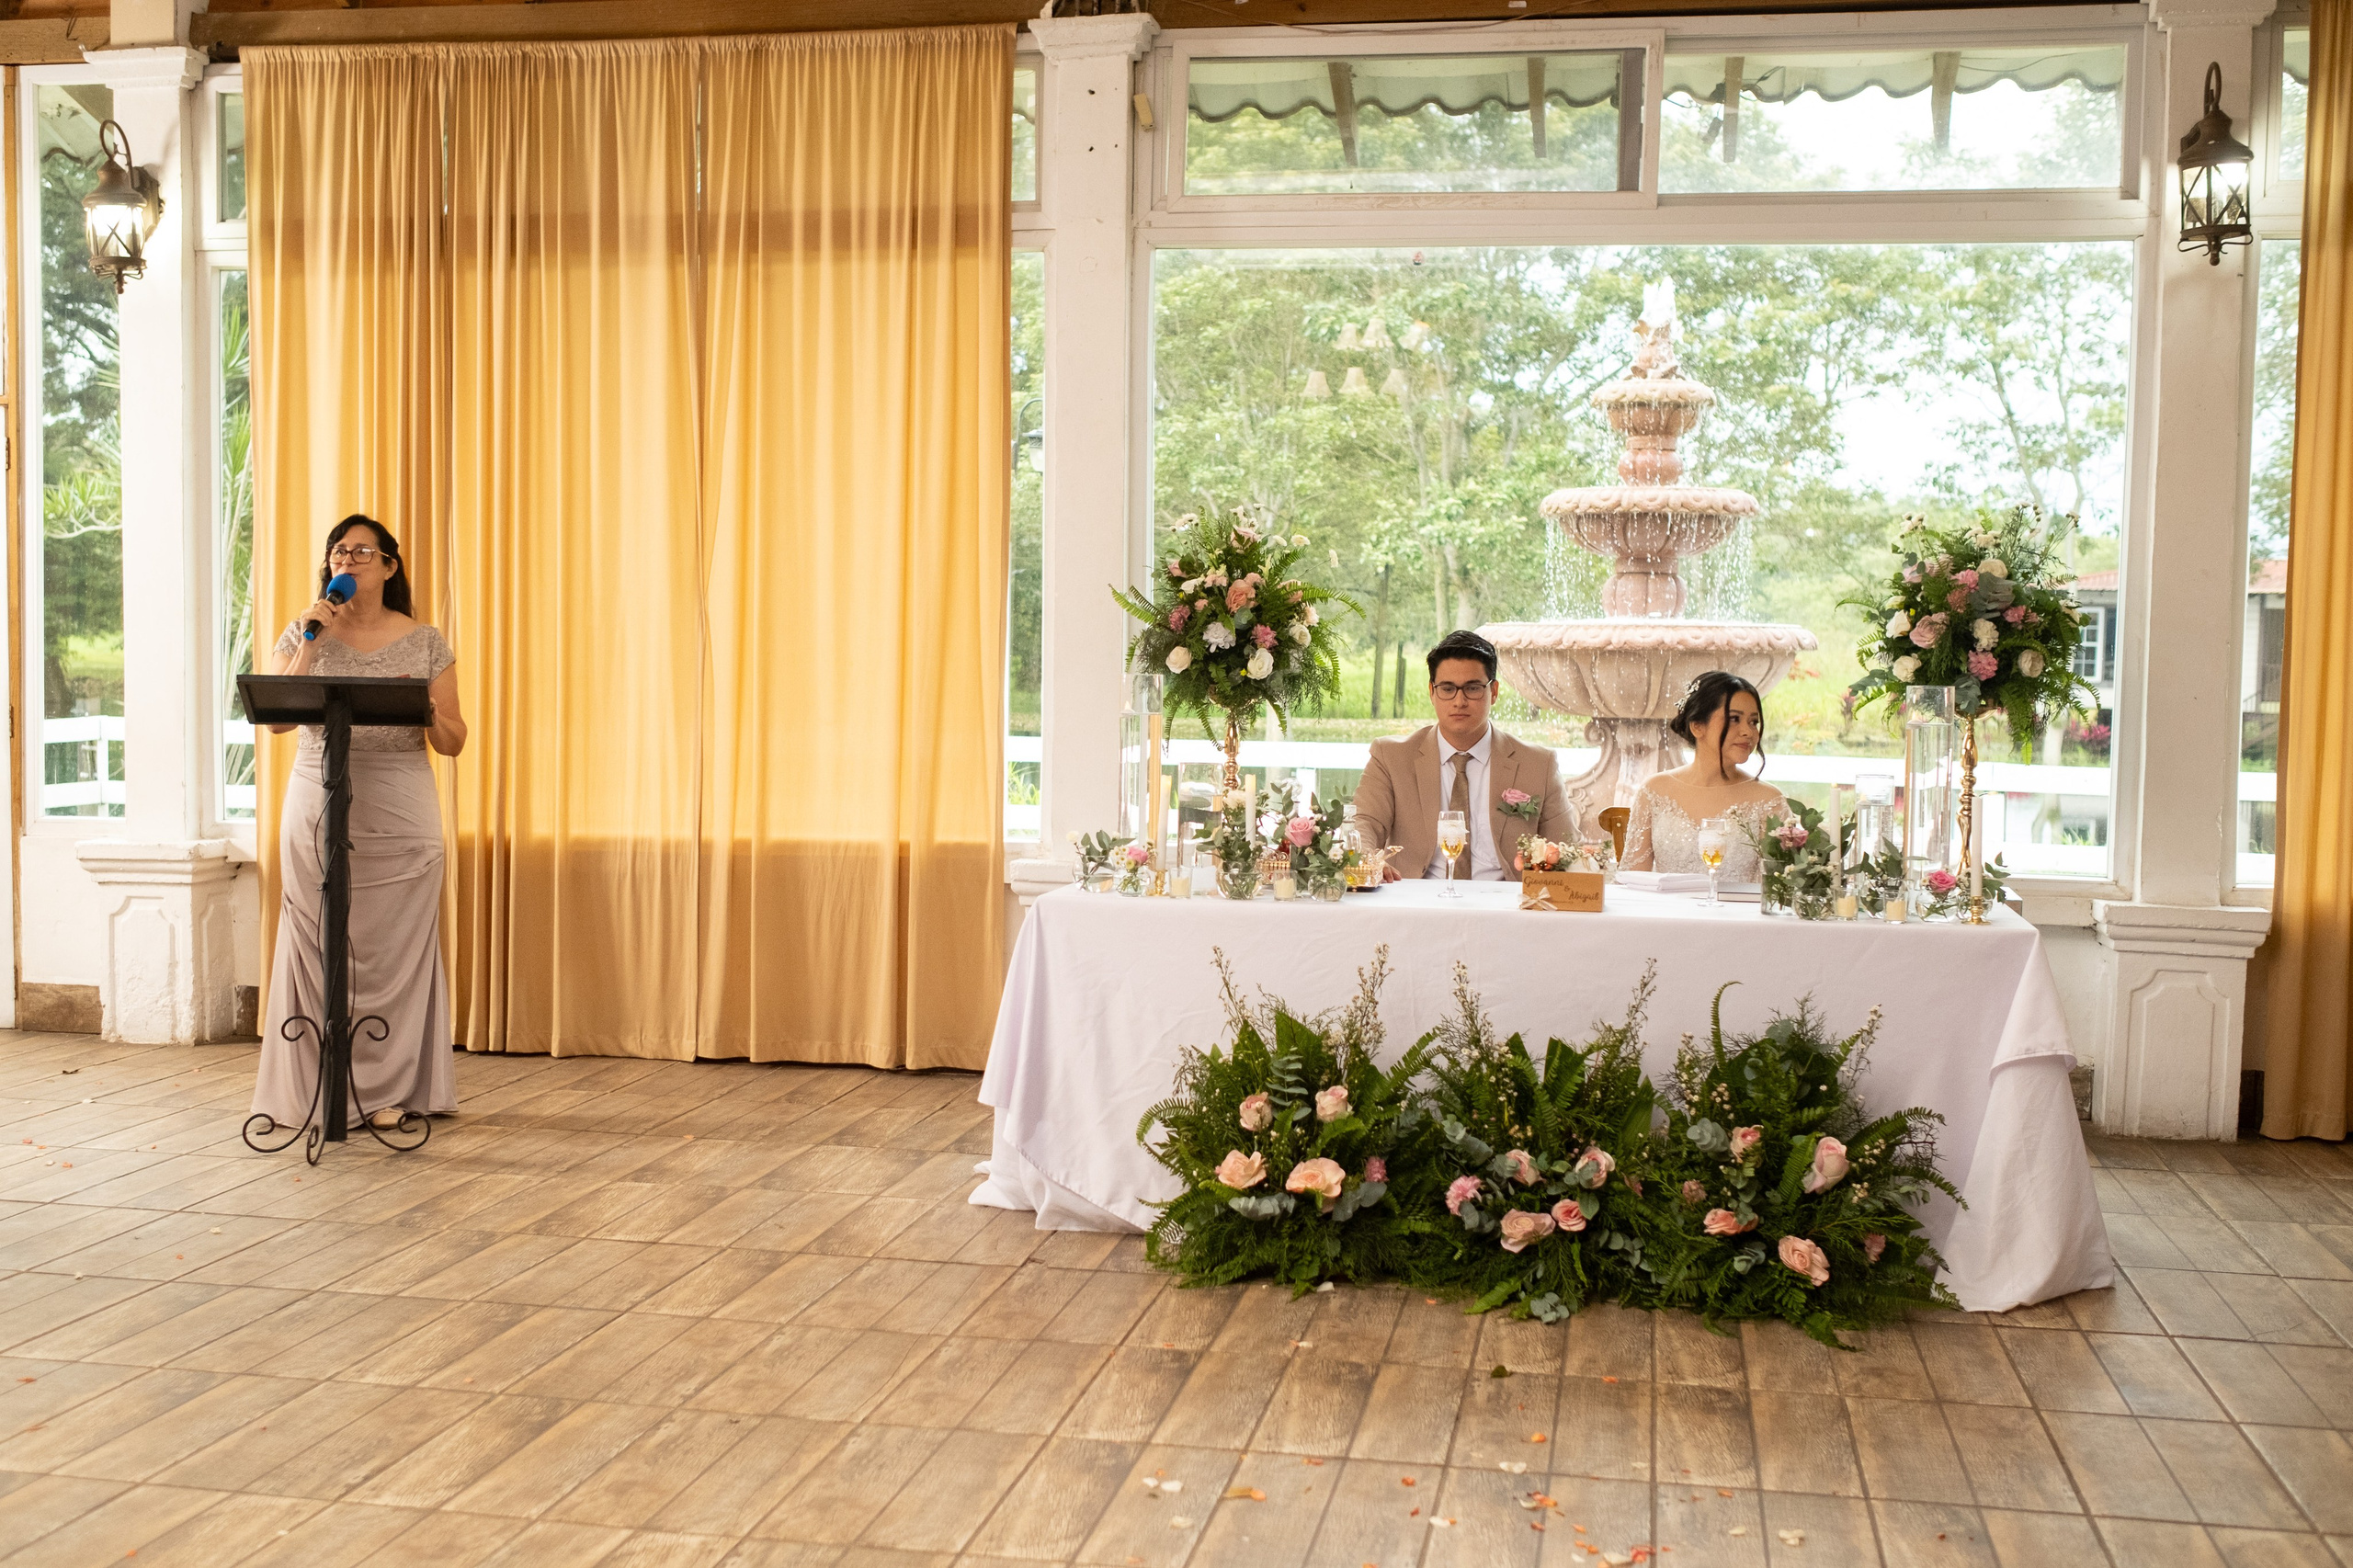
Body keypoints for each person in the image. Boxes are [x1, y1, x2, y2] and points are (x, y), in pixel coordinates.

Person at [254, 516, 467, 1133]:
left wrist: (424, 709)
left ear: (390, 567)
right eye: (338, 553)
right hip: (320, 791)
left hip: (401, 799)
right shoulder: (305, 628)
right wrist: (312, 640)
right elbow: (275, 718)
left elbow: (453, 739)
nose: (347, 561)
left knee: (395, 945)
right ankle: (315, 1088)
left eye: (362, 552)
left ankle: (391, 1088)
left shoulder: (425, 640)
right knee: (319, 934)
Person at [1352, 630, 1575, 881]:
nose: (1459, 701)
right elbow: (1364, 823)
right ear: (1431, 692)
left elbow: (1566, 848)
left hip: (1508, 907)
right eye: (1447, 688)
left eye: (1472, 688)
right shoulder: (1391, 757)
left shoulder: (1538, 764)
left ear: (1494, 692)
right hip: (1416, 902)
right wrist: (1366, 859)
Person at [1620, 671, 1784, 881]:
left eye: (1753, 722)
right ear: (1698, 726)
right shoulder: (1655, 791)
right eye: (1735, 719)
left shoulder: (1769, 801)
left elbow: (1778, 890)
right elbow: (1632, 880)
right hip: (1665, 914)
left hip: (1739, 914)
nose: (1748, 732)